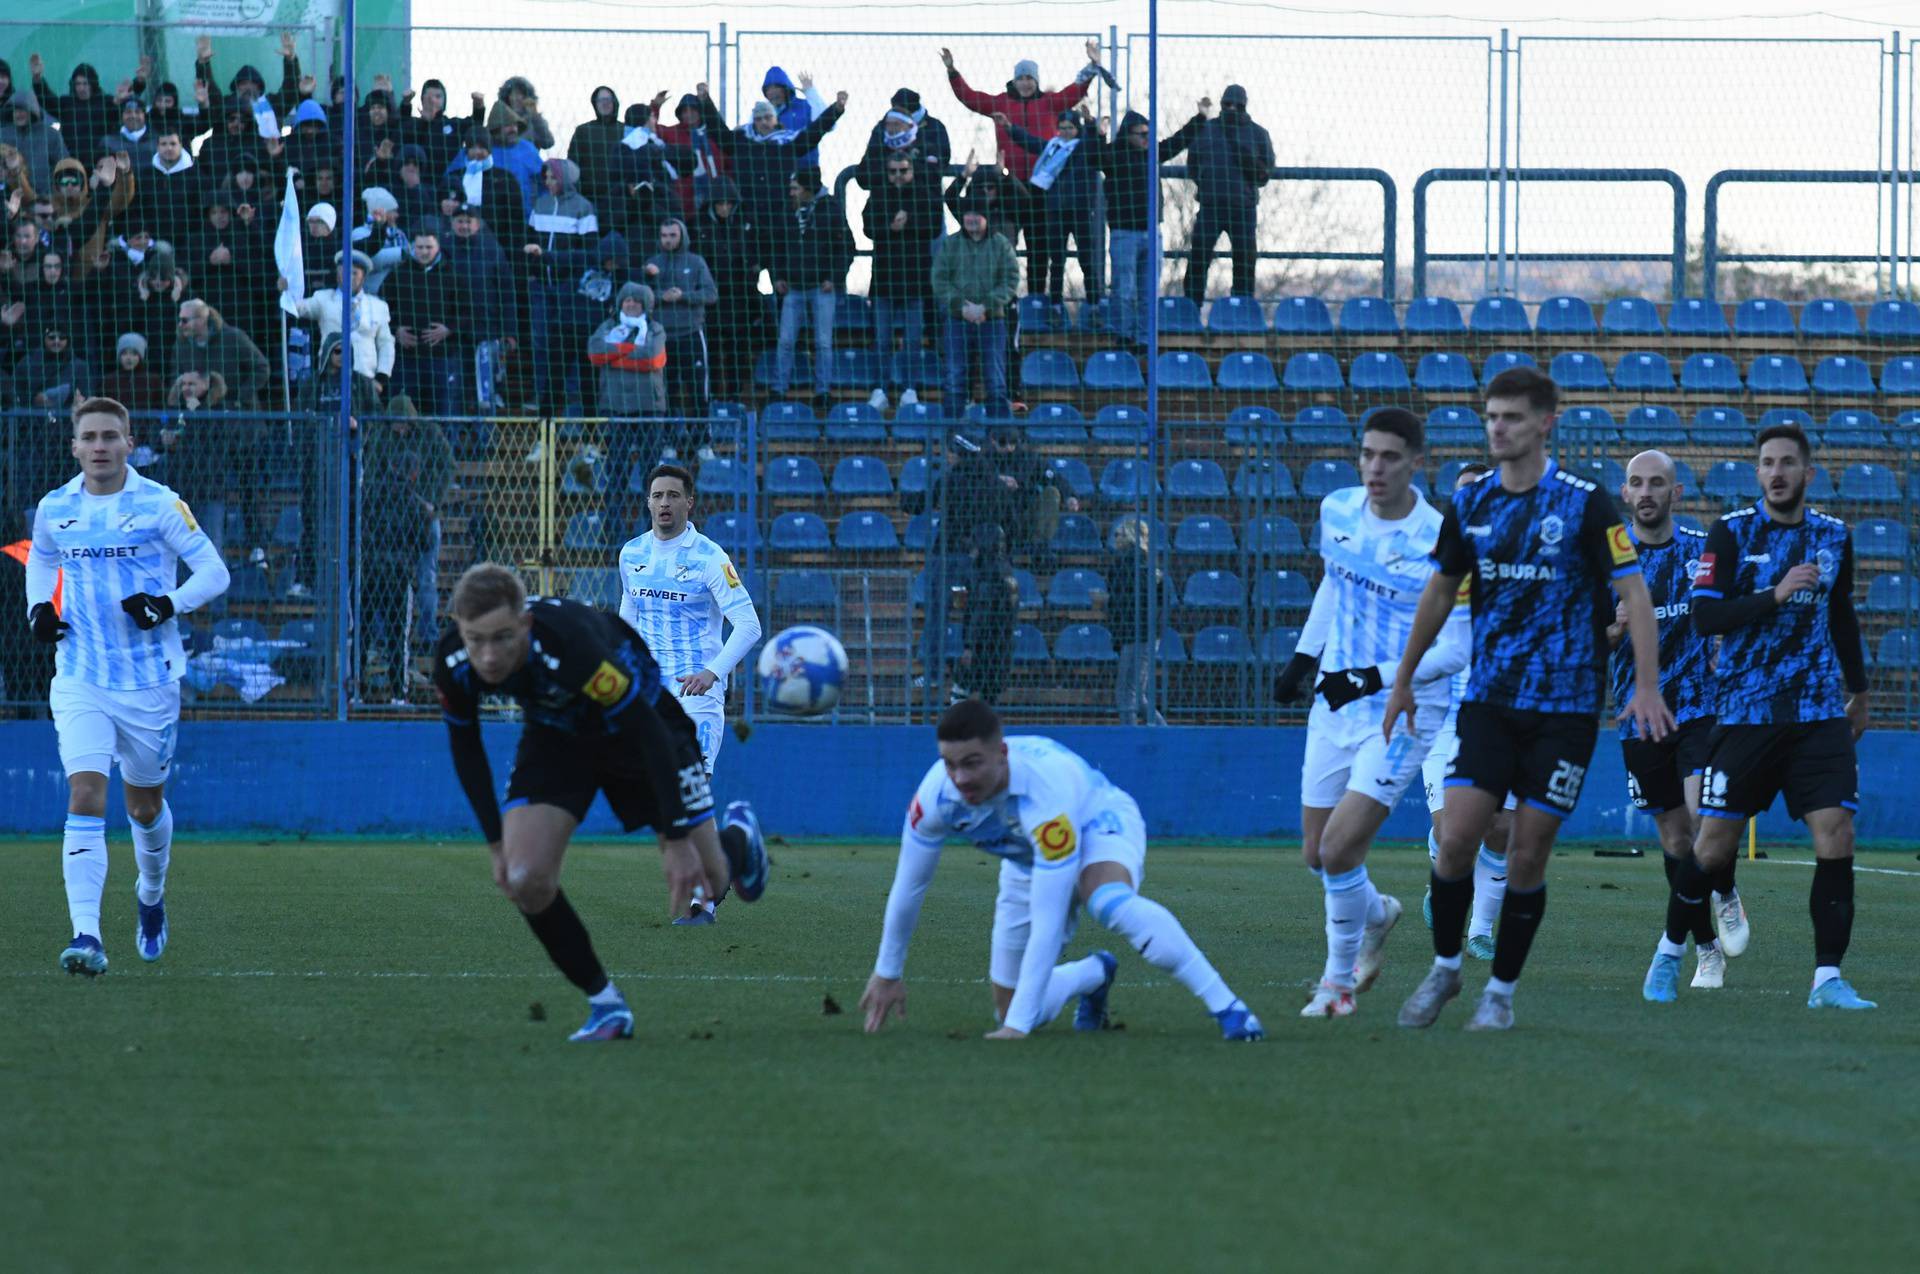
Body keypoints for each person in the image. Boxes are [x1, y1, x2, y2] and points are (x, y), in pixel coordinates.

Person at [1384, 367, 1672, 1031]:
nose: (1498, 428)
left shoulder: (1586, 504)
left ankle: (1501, 993)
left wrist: (1648, 685)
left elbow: (1633, 594)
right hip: (1489, 700)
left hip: (1565, 712)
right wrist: (1403, 679)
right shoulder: (1474, 501)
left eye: (1511, 417)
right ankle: (1448, 968)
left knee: (1527, 852)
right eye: (1490, 416)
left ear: (1546, 422)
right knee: (1455, 840)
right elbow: (1437, 592)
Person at [433, 563, 770, 1040]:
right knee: (525, 878)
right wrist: (495, 847)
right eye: (475, 640)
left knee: (710, 883)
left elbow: (647, 730)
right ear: (459, 631)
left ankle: (737, 843)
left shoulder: (572, 650)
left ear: (524, 624)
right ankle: (607, 1005)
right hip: (556, 735)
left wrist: (673, 839)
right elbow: (465, 747)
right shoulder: (453, 662)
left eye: (501, 638)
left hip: (640, 726)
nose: (487, 656)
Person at [860, 699, 1264, 1041]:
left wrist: (1017, 1031)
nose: (960, 778)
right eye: (950, 764)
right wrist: (887, 972)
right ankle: (1094, 974)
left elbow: (1049, 920)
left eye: (972, 763)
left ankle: (1230, 1009)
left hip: (1096, 824)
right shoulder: (935, 798)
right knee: (1012, 1007)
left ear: (1001, 754)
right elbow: (909, 888)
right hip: (1025, 859)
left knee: (1106, 901)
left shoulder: (1044, 792)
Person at [1269, 409, 1467, 1017]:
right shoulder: (1337, 510)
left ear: (1416, 464)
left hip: (1403, 711)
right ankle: (1377, 914)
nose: (1375, 467)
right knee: (1316, 853)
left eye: (1389, 457)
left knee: (1339, 849)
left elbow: (1459, 646)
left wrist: (1378, 677)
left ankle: (1338, 985)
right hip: (1337, 702)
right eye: (1367, 455)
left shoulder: (1443, 537)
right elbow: (1335, 583)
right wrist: (1304, 661)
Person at [26, 396, 231, 974]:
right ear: (74, 445)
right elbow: (41, 560)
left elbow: (215, 572)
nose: (99, 446)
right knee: (85, 794)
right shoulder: (55, 506)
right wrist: (38, 607)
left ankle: (149, 893)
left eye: (110, 436)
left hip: (149, 683)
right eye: (89, 436)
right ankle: (86, 936)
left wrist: (167, 603)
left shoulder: (160, 504)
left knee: (143, 808)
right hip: (80, 675)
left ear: (129, 442)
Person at [1676, 424, 1874, 1010]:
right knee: (1710, 847)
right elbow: (1706, 620)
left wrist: (1859, 692)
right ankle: (1673, 949)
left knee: (1837, 833)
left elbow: (1841, 614)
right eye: (1768, 462)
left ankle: (1827, 980)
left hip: (1816, 711)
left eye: (1789, 462)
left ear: (1808, 473)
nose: (1778, 471)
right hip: (1745, 714)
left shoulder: (1834, 537)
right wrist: (1777, 593)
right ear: (1757, 472)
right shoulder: (1732, 533)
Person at [1608, 451, 1738, 1001]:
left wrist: (1722, 647)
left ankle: (1718, 895)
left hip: (1697, 708)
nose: (1646, 492)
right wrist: (1610, 631)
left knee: (1703, 822)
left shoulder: (1697, 551)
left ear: (1675, 493)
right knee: (1675, 837)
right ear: (1624, 493)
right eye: (1637, 483)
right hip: (1639, 716)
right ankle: (1706, 947)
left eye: (1656, 483)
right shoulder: (1610, 560)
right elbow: (1589, 640)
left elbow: (1722, 615)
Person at [616, 463, 763, 918]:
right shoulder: (631, 554)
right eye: (657, 495)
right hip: (651, 697)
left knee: (690, 788)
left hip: (697, 693)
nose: (664, 503)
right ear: (648, 502)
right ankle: (735, 852)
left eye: (672, 496)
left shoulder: (710, 557)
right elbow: (628, 622)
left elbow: (748, 625)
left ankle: (706, 894)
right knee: (665, 797)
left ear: (689, 502)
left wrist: (712, 673)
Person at [1415, 462, 1512, 960]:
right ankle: (1440, 884)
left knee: (1501, 829)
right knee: (1451, 829)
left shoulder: (1520, 559)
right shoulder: (1436, 563)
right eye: (1462, 494)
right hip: (1446, 720)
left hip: (1504, 716)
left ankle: (1480, 931)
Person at [693, 81, 847, 265]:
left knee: (782, 271)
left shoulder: (789, 142)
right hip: (747, 218)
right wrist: (705, 100)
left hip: (781, 217)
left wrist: (836, 109)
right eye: (758, 119)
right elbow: (717, 129)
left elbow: (815, 132)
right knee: (746, 274)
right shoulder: (740, 140)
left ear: (775, 119)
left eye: (767, 117)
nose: (763, 122)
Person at [361, 400, 451, 701]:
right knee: (381, 601)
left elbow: (446, 467)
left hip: (421, 515)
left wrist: (431, 502)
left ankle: (426, 635)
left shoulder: (430, 435)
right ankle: (382, 645)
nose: (399, 428)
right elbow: (371, 476)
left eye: (403, 423)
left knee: (427, 576)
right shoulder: (380, 436)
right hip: (389, 546)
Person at [1160, 86, 1273, 304]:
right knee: (1200, 257)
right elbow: (1194, 165)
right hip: (1215, 205)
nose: (1231, 109)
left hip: (1241, 207)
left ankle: (1241, 305)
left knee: (1243, 260)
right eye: (1227, 105)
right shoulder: (1210, 131)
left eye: (1235, 105)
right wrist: (1207, 184)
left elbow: (1264, 173)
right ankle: (1193, 305)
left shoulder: (1256, 133)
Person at [940, 43, 1105, 185]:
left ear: (1036, 81)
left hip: (1045, 177)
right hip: (1011, 178)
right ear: (1014, 81)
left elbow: (1074, 92)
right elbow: (969, 97)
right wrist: (952, 71)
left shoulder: (1049, 102)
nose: (1025, 83)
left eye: (1029, 78)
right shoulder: (1000, 103)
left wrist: (1092, 66)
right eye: (1021, 79)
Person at [997, 106, 1103, 316]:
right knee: (1057, 260)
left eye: (1070, 128)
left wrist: (1091, 124)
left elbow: (1097, 146)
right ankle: (1055, 303)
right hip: (1056, 211)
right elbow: (1030, 141)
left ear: (1077, 129)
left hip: (1080, 211)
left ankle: (1094, 303)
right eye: (1062, 128)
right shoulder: (1052, 148)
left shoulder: (1083, 149)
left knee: (1087, 259)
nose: (1065, 132)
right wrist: (1009, 127)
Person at [1097, 110, 1188, 351]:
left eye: (1149, 133)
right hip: (1124, 233)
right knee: (1123, 289)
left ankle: (1145, 339)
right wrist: (1096, 133)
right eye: (1142, 134)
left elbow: (1178, 142)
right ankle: (1124, 336)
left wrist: (1200, 118)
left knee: (1149, 291)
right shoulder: (1115, 155)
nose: (1147, 138)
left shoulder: (1152, 154)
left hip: (1152, 231)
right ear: (1127, 134)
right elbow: (1095, 156)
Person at [767, 168, 854, 416]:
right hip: (793, 287)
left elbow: (846, 246)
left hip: (821, 287)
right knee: (785, 341)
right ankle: (778, 388)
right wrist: (777, 276)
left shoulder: (830, 209)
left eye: (796, 187)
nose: (791, 192)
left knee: (823, 342)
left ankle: (823, 391)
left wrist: (834, 278)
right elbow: (776, 246)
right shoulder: (787, 210)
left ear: (806, 189)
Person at [861, 149, 943, 411]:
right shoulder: (879, 194)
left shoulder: (923, 193)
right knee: (882, 340)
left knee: (913, 340)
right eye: (893, 171)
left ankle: (910, 388)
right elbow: (867, 226)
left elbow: (934, 225)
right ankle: (880, 389)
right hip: (884, 280)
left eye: (903, 170)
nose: (897, 176)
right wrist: (889, 226)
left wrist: (910, 222)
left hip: (915, 281)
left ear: (912, 170)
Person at [589, 282, 669, 531]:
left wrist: (617, 356)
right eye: (627, 300)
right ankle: (612, 533)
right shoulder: (608, 327)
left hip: (649, 410)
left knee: (651, 476)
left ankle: (653, 531)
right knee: (617, 475)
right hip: (616, 410)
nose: (631, 304)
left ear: (646, 305)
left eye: (636, 301)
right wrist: (633, 350)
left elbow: (653, 359)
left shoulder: (655, 328)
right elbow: (595, 353)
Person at [932, 200, 1019, 416]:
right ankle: (953, 438)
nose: (971, 218)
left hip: (992, 321)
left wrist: (985, 307)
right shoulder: (950, 244)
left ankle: (999, 438)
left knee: (995, 379)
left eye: (977, 214)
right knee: (955, 378)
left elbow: (1011, 279)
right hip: (957, 320)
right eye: (968, 213)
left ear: (986, 218)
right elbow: (939, 280)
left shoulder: (1001, 244)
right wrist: (961, 307)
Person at [282, 249, 395, 403]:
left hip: (366, 381)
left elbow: (386, 344)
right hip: (331, 380)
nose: (348, 276)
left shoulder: (378, 306)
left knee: (368, 425)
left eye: (354, 273)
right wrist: (287, 289)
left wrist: (381, 378)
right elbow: (296, 307)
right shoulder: (323, 299)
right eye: (344, 271)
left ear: (363, 277)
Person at [641, 218, 717, 447]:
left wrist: (683, 295)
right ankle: (669, 442)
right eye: (664, 235)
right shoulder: (652, 263)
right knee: (666, 391)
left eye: (673, 235)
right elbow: (641, 297)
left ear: (682, 235)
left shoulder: (695, 262)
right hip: (662, 338)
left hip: (691, 334)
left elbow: (711, 294)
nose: (668, 240)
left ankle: (703, 443)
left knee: (698, 391)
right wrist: (660, 294)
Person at [386, 221, 469, 419]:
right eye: (420, 247)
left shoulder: (454, 274)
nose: (424, 252)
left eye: (429, 247)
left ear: (438, 246)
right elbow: (383, 311)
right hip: (407, 358)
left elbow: (469, 313)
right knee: (403, 411)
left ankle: (447, 449)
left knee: (445, 411)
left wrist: (449, 329)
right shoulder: (398, 275)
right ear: (413, 247)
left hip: (443, 356)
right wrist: (396, 331)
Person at [692, 178, 758, 403]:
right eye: (720, 203)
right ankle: (710, 395)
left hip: (738, 297)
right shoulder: (698, 226)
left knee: (736, 348)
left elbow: (756, 255)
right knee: (708, 347)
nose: (725, 208)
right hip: (709, 298)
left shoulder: (745, 225)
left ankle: (734, 394)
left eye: (729, 204)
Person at [1107, 515, 1168, 724]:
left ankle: (1129, 737)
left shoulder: (1128, 563)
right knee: (1137, 695)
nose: (1115, 538)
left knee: (1126, 693)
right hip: (1145, 633)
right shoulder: (1146, 563)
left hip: (1135, 633)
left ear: (1129, 536)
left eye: (1119, 534)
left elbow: (1122, 598)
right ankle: (1165, 732)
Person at [173, 297, 271, 412]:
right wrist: (196, 407)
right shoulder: (181, 346)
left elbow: (262, 368)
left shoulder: (234, 338)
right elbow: (176, 379)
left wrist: (240, 398)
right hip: (202, 422)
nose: (180, 325)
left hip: (241, 419)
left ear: (201, 320)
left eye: (185, 320)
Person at [956, 524, 1017, 706]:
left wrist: (970, 646)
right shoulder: (1006, 569)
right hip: (1002, 642)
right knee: (990, 697)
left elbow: (980, 615)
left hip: (984, 645)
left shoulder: (987, 575)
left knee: (967, 691)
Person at [854, 88, 952, 192]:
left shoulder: (934, 129)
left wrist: (905, 166)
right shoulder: (882, 129)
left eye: (897, 124)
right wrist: (893, 168)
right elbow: (863, 176)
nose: (892, 129)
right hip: (884, 199)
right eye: (890, 124)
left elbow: (937, 169)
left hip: (923, 199)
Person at [98, 332, 164, 410]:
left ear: (141, 356)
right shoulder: (108, 380)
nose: (129, 358)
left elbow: (160, 408)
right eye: (124, 353)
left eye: (134, 354)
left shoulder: (153, 380)